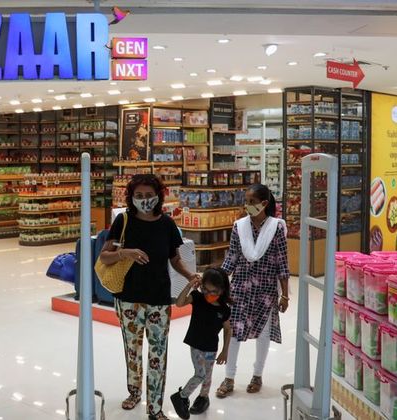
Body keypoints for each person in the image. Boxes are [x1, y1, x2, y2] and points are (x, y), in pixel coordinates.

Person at [99, 174, 200, 420]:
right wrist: (125, 253)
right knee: (132, 350)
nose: (144, 200)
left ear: (159, 196)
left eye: (149, 195)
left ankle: (155, 408)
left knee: (158, 354)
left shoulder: (166, 224)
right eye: (139, 196)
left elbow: (174, 258)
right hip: (128, 298)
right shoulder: (123, 221)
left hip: (159, 299)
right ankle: (134, 392)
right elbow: (105, 256)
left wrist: (189, 274)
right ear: (132, 198)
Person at [215, 184, 289, 398]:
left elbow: (282, 263)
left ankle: (257, 375)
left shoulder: (277, 227)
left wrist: (284, 294)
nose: (246, 205)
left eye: (251, 201)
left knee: (263, 333)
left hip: (266, 289)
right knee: (235, 330)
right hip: (240, 287)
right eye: (246, 201)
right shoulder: (239, 226)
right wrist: (217, 281)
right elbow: (232, 258)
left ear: (264, 204)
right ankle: (229, 378)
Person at [170, 268, 232, 419]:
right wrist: (189, 285)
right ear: (201, 286)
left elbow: (228, 330)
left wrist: (225, 351)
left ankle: (203, 398)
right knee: (200, 374)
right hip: (196, 345)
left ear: (222, 290)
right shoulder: (197, 298)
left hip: (211, 347)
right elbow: (179, 303)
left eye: (214, 292)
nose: (209, 295)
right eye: (206, 290)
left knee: (208, 376)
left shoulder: (224, 309)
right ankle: (181, 396)